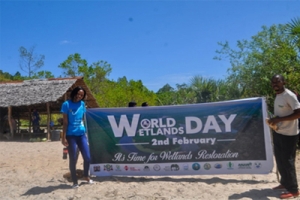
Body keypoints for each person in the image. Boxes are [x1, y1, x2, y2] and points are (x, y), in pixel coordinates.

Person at [268, 74, 300, 199]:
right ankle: (284, 183)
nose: (275, 84)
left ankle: (294, 190)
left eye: (277, 81)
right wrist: (274, 120)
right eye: (273, 82)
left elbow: (298, 113)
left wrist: (279, 119)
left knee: (288, 161)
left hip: (289, 134)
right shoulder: (278, 96)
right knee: (280, 160)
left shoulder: (289, 96)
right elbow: (283, 112)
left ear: (283, 82)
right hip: (279, 132)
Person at [61, 86, 93, 188]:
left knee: (87, 157)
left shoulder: (82, 104)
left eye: (81, 95)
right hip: (71, 135)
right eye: (78, 94)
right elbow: (65, 122)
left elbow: (84, 118)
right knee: (73, 158)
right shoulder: (66, 104)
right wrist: (63, 137)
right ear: (74, 93)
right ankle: (75, 181)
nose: (79, 96)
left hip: (82, 134)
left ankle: (86, 176)